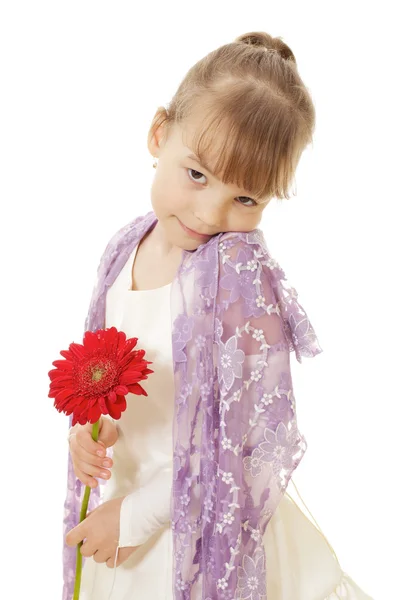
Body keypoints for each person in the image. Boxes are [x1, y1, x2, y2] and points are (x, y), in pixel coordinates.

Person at [62, 31, 374, 600]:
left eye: (247, 199)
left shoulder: (234, 272)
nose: (210, 213)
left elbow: (244, 442)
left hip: (198, 525)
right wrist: (90, 429)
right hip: (125, 511)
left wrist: (134, 521)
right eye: (198, 175)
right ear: (160, 135)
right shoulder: (123, 248)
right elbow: (110, 374)